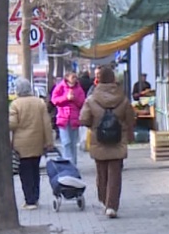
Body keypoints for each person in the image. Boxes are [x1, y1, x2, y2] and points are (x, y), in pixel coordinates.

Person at [79, 66, 136, 218]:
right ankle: (112, 206)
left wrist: (95, 125)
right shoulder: (122, 99)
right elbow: (131, 118)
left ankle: (104, 200)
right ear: (113, 79)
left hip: (99, 140)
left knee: (101, 172)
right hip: (118, 140)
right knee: (115, 174)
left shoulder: (91, 99)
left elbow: (83, 119)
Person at [8, 80, 54, 210]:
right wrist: (49, 141)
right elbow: (46, 124)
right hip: (37, 142)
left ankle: (30, 200)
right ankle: (35, 196)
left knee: (25, 172)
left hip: (21, 144)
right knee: (35, 170)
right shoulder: (39, 103)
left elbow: (12, 124)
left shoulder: (15, 105)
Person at [50, 71, 86, 165]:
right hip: (63, 119)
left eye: (75, 77)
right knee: (66, 143)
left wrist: (74, 99)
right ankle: (67, 163)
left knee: (73, 143)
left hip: (74, 119)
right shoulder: (60, 87)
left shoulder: (79, 89)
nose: (75, 79)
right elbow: (54, 100)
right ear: (67, 78)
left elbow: (82, 102)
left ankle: (73, 164)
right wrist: (66, 98)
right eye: (72, 77)